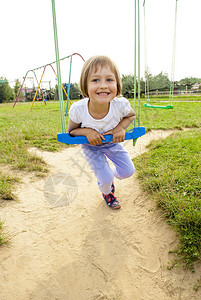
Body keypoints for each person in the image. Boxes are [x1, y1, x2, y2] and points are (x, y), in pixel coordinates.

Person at [68, 55, 135, 209]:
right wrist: (87, 132)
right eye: (95, 80)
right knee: (104, 179)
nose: (103, 85)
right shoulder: (79, 109)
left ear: (117, 83)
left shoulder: (120, 105)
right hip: (90, 146)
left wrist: (120, 128)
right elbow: (71, 131)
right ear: (85, 85)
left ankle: (110, 175)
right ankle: (107, 192)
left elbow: (131, 115)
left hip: (112, 143)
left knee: (128, 171)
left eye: (109, 80)